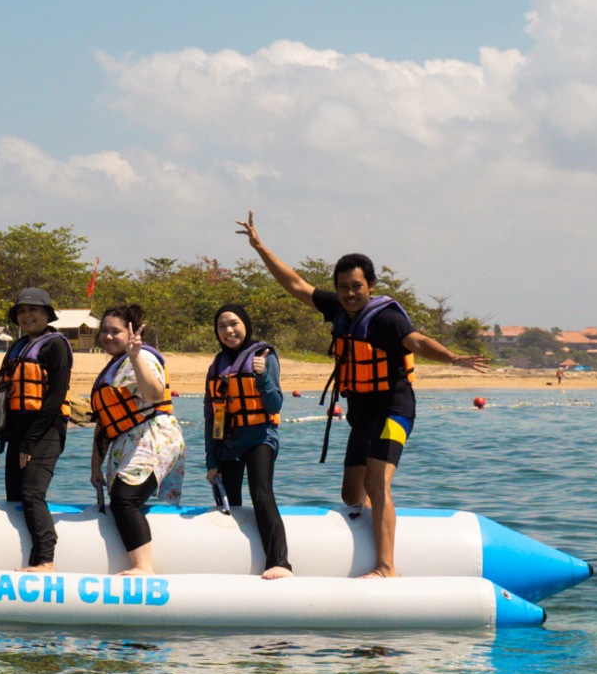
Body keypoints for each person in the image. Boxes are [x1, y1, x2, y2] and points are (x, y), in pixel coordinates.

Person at [240, 213, 488, 576]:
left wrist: (451, 357)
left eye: (356, 286)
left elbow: (415, 340)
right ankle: (368, 537)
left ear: (370, 284)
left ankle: (387, 566)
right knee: (351, 492)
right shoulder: (338, 310)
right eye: (343, 287)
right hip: (362, 412)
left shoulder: (386, 319)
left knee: (376, 480)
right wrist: (260, 248)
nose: (349, 293)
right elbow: (295, 285)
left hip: (394, 409)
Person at [85, 303, 182, 573]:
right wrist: (95, 465)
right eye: (103, 330)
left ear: (131, 333)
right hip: (127, 442)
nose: (107, 336)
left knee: (125, 500)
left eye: (115, 331)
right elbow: (105, 421)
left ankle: (143, 567)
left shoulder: (143, 359)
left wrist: (136, 356)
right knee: (122, 498)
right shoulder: (114, 367)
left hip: (153, 437)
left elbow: (153, 395)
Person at [0, 286, 73, 568]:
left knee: (32, 493)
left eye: (33, 310)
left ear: (47, 314)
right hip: (18, 432)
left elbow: (56, 397)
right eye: (22, 311)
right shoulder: (16, 347)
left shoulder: (55, 345)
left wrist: (30, 442)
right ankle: (22, 556)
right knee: (14, 497)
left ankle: (46, 560)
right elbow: (2, 396)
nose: (27, 315)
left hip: (45, 431)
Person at [204, 302, 293, 578]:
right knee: (229, 502)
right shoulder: (217, 365)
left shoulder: (265, 355)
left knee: (261, 493)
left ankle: (280, 562)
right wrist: (211, 461)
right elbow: (211, 416)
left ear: (245, 324)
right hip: (228, 442)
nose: (228, 330)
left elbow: (275, 404)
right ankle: (236, 561)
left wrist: (263, 374)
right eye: (222, 326)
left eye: (234, 324)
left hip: (259, 436)